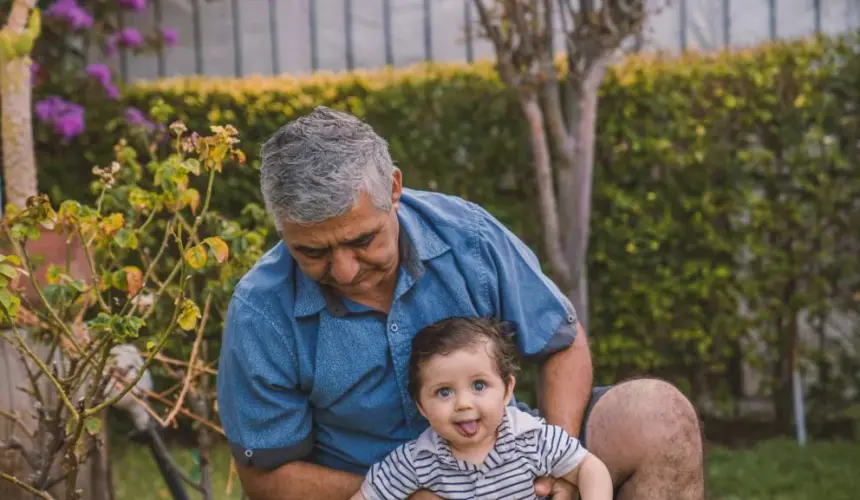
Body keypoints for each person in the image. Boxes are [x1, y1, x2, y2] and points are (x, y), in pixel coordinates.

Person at [216, 106, 705, 500]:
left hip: (514, 469)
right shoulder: (261, 311)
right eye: (313, 251)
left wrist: (557, 466)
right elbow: (266, 477)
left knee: (657, 415)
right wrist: (414, 495)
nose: (344, 270)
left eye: (362, 240)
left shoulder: (466, 235)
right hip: (369, 489)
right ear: (283, 228)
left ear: (394, 190)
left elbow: (561, 340)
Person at [351, 316, 613, 500]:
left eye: (479, 385)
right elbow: (367, 495)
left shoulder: (532, 438)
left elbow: (590, 469)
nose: (463, 403)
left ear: (507, 389)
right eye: (444, 392)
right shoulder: (417, 460)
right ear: (421, 406)